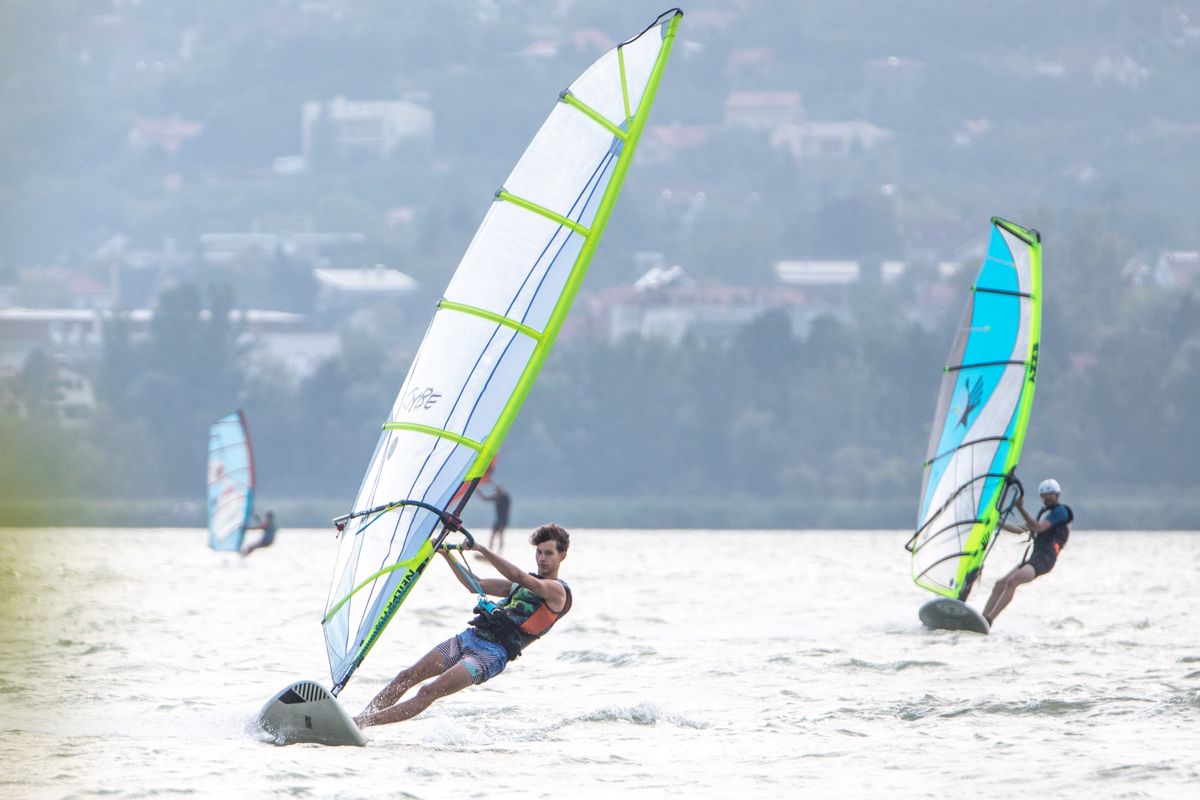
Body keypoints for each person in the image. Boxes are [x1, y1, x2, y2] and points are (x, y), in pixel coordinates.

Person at [355, 523, 572, 728]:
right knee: (406, 676)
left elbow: (520, 576)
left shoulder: (556, 591)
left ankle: (363, 723)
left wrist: (482, 549)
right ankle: (359, 721)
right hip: (470, 638)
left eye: (549, 553)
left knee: (428, 692)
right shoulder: (519, 585)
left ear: (562, 556)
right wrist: (446, 554)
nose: (542, 559)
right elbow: (475, 584)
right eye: (539, 552)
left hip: (490, 655)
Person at [981, 479, 1074, 627]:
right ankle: (981, 619)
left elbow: (1038, 528)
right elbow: (1019, 529)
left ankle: (989, 620)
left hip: (1045, 560)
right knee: (999, 585)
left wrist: (1020, 508)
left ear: (1057, 494)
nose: (1047, 497)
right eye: (1044, 495)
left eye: (1050, 494)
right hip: (1034, 558)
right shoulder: (1044, 514)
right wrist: (994, 521)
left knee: (1012, 581)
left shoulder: (1061, 512)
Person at [477, 481, 512, 553]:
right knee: (493, 534)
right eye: (496, 490)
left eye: (498, 490)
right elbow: (485, 498)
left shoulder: (505, 496)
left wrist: (505, 519)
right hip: (499, 518)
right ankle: (490, 552)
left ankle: (499, 553)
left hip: (504, 518)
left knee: (501, 535)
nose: (497, 491)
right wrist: (477, 491)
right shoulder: (496, 496)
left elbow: (509, 508)